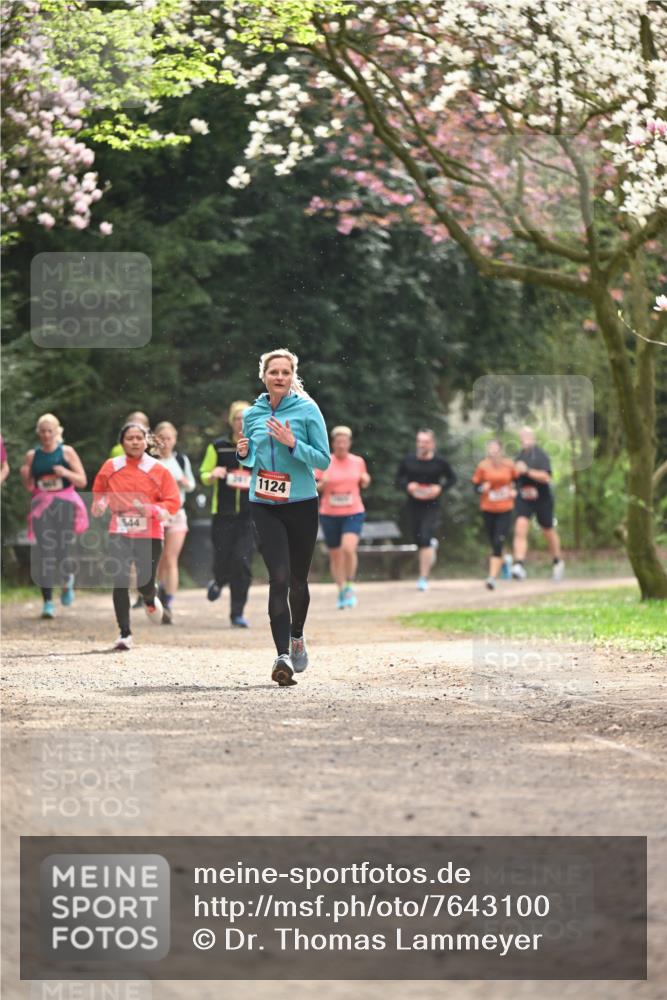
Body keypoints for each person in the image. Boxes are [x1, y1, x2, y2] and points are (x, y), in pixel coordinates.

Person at [236, 348, 330, 687]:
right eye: (273, 372)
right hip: (263, 502)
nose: (279, 377)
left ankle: (297, 635)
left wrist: (293, 444)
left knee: (297, 581)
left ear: (292, 376)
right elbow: (249, 460)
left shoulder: (307, 409)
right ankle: (282, 657)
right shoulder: (252, 414)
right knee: (278, 576)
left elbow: (323, 460)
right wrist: (243, 455)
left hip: (302, 502)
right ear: (263, 376)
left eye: (285, 372)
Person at [91, 422, 180, 650]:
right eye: (129, 438)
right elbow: (100, 491)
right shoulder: (112, 466)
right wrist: (100, 504)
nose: (134, 442)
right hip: (119, 529)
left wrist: (149, 510)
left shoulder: (157, 468)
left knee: (145, 582)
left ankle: (149, 597)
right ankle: (124, 633)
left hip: (149, 532)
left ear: (146, 441)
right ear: (122, 442)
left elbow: (172, 501)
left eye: (139, 438)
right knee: (120, 579)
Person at [20, 414, 88, 618]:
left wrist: (65, 473)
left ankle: (67, 579)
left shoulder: (66, 452)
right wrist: (25, 477)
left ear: (56, 432)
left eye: (50, 430)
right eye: (43, 431)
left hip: (64, 504)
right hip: (42, 506)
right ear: (38, 432)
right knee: (45, 553)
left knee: (61, 550)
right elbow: (31, 486)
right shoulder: (32, 455)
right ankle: (48, 602)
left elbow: (83, 481)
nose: (46, 434)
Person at [199, 401, 255, 627]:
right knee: (222, 556)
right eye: (238, 418)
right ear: (231, 422)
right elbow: (203, 474)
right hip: (223, 512)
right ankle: (219, 579)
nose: (242, 422)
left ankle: (237, 613)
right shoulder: (218, 447)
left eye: (246, 419)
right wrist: (213, 473)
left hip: (250, 515)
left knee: (242, 562)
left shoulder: (258, 447)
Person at [315, 425, 370, 609]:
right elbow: (314, 487)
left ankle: (349, 585)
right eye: (338, 441)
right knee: (336, 555)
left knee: (348, 548)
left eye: (344, 441)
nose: (341, 445)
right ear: (333, 443)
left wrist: (365, 480)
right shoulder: (324, 461)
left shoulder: (357, 461)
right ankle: (340, 590)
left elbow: (364, 479)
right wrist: (322, 484)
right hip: (329, 513)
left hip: (353, 511)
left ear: (349, 443)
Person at [396, 428, 456, 591]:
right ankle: (430, 546)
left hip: (432, 506)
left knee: (425, 536)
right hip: (413, 505)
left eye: (425, 442)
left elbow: (452, 478)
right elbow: (398, 479)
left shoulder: (440, 462)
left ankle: (423, 578)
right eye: (419, 441)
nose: (422, 445)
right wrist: (408, 485)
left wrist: (439, 488)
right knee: (418, 539)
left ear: (432, 444)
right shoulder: (408, 460)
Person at [153, 421, 196, 624]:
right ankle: (157, 591)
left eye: (169, 438)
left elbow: (191, 485)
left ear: (175, 440)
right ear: (155, 439)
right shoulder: (149, 461)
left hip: (177, 514)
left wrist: (183, 483)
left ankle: (168, 603)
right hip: (156, 515)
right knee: (158, 558)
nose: (165, 442)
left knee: (170, 558)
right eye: (161, 438)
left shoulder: (181, 459)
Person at [511, 426, 565, 581]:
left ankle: (557, 561)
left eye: (527, 436)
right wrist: (512, 488)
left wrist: (527, 471)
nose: (524, 440)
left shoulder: (541, 455)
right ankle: (519, 564)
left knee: (547, 530)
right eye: (522, 437)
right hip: (524, 499)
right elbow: (514, 479)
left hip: (543, 499)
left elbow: (546, 477)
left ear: (533, 438)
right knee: (520, 526)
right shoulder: (519, 457)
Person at [471, 439, 518, 590]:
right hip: (488, 508)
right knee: (493, 542)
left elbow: (519, 480)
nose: (492, 452)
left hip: (505, 508)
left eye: (495, 449)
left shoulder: (509, 465)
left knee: (498, 541)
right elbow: (475, 486)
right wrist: (481, 488)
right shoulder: (483, 466)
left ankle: (491, 578)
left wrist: (514, 490)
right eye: (490, 449)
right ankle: (505, 562)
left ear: (501, 451)